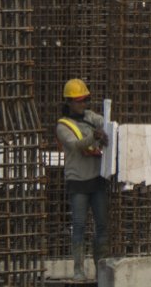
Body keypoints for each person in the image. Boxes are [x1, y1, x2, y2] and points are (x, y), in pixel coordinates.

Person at [55, 78, 110, 280]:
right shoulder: (62, 126)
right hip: (78, 182)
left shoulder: (90, 116)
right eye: (78, 101)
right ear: (68, 102)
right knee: (78, 226)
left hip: (97, 180)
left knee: (102, 226)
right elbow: (77, 145)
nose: (83, 104)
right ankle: (78, 270)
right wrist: (95, 137)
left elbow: (105, 123)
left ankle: (101, 270)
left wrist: (106, 130)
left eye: (85, 100)